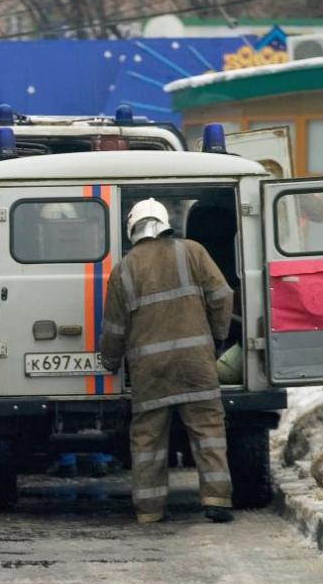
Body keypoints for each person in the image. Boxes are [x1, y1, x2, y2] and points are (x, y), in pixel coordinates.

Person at [99, 198, 234, 524]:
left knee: (148, 440)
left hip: (150, 372)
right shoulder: (192, 251)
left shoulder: (124, 269)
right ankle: (217, 500)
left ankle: (149, 510)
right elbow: (222, 295)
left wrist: (110, 361)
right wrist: (217, 337)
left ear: (133, 229)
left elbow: (115, 327)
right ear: (163, 223)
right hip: (195, 364)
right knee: (208, 432)